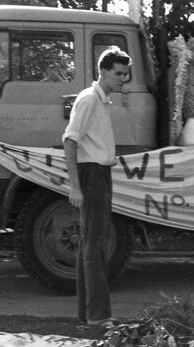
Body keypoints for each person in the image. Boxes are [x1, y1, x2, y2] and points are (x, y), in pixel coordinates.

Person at [62, 46, 131, 328]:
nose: (122, 79)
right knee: (95, 244)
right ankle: (99, 316)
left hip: (101, 173)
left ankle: (87, 314)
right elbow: (70, 141)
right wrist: (75, 187)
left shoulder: (101, 101)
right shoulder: (89, 99)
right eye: (118, 74)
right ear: (102, 72)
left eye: (125, 74)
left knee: (93, 242)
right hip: (90, 175)